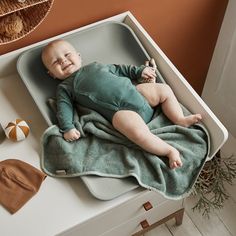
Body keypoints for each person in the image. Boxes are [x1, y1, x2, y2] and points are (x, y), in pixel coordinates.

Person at [41, 39, 202, 169]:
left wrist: (139, 71)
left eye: (67, 54)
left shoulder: (96, 66)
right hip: (120, 111)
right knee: (136, 133)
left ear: (79, 55)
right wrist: (68, 127)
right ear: (52, 74)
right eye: (56, 62)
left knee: (164, 90)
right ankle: (169, 151)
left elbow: (120, 69)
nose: (64, 61)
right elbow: (64, 108)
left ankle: (179, 119)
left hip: (137, 94)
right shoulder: (65, 87)